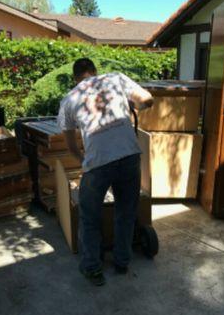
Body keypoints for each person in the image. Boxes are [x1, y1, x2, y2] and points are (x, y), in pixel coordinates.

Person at [57, 58, 154, 286]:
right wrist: (133, 106)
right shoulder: (115, 78)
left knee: (90, 217)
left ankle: (92, 268)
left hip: (97, 163)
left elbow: (70, 145)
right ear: (94, 71)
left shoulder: (69, 99)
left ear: (76, 77)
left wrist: (85, 161)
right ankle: (122, 262)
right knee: (126, 211)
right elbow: (147, 100)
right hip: (129, 155)